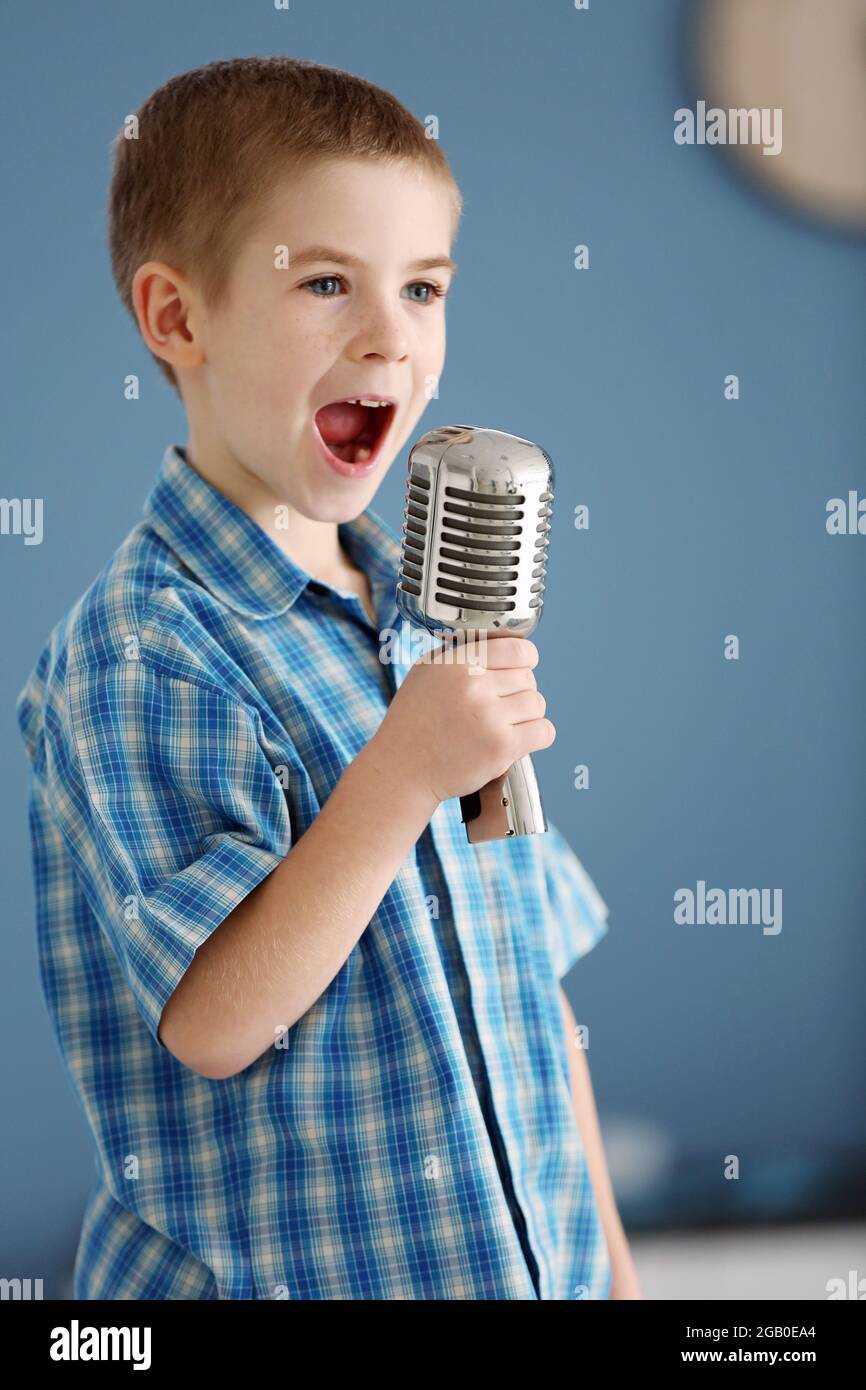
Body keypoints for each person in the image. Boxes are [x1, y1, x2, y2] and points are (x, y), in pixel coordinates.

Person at [16, 56, 641, 1300]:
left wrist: (612, 1275)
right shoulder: (146, 651)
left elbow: (531, 984)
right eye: (324, 284)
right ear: (177, 317)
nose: (389, 336)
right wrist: (400, 777)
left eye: (422, 288)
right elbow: (212, 1021)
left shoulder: (436, 616)